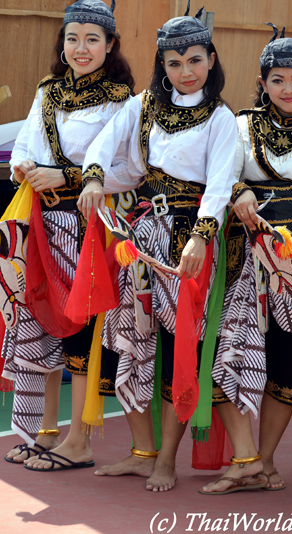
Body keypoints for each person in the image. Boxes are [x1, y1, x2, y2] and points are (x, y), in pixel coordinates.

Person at [77, 4, 237, 491]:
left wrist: (200, 237)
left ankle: (167, 458)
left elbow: (219, 185)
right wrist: (93, 178)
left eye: (194, 60)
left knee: (179, 346)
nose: (185, 71)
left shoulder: (222, 117)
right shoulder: (141, 106)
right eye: (174, 62)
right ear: (161, 65)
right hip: (142, 236)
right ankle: (141, 451)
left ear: (210, 59)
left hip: (192, 239)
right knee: (131, 339)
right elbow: (106, 146)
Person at [200, 24, 292, 494]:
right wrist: (239, 190)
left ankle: (263, 462)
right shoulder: (237, 126)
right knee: (223, 355)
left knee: (289, 365)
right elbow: (220, 175)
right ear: (262, 82)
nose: (288, 88)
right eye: (277, 79)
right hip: (242, 258)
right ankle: (244, 456)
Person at [3, 0, 133, 471]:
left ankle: (80, 440)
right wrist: (25, 166)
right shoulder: (47, 90)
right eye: (72, 38)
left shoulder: (123, 100)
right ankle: (45, 430)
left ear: (110, 45)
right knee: (38, 318)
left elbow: (128, 172)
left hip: (88, 227)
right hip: (42, 222)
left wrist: (65, 176)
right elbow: (24, 143)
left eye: (92, 39)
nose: (80, 48)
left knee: (79, 328)